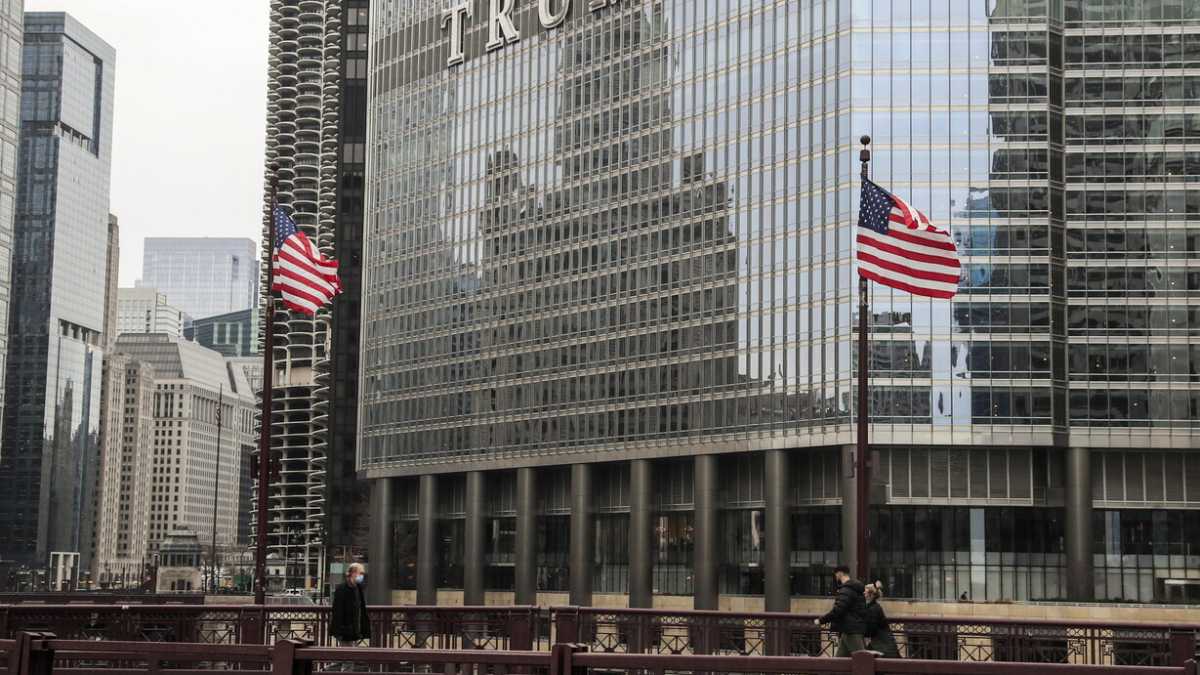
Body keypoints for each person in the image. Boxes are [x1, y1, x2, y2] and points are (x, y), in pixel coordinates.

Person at [814, 565, 867, 657]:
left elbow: (838, 610)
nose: (835, 576)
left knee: (862, 660)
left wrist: (821, 620)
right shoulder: (855, 589)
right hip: (849, 630)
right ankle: (836, 672)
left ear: (840, 573)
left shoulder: (846, 590)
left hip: (851, 630)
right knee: (840, 662)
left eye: (835, 574)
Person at [330, 563, 370, 670]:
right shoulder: (342, 589)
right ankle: (331, 668)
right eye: (360, 573)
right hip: (345, 631)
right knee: (348, 659)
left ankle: (331, 667)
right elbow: (337, 611)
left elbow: (360, 609)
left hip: (355, 630)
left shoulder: (358, 588)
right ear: (353, 573)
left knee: (348, 658)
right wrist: (340, 631)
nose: (362, 575)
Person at [864, 581, 901, 658]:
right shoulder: (873, 606)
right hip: (882, 641)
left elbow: (871, 628)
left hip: (882, 642)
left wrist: (861, 631)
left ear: (871, 595)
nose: (864, 593)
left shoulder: (873, 608)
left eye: (865, 592)